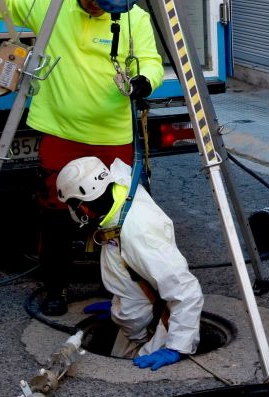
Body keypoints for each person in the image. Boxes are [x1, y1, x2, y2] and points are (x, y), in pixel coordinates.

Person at [0, 0, 164, 316]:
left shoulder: (134, 17)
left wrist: (144, 81)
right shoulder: (51, 3)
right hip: (61, 131)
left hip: (113, 135)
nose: (98, 4)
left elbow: (151, 61)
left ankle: (124, 287)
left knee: (119, 215)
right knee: (54, 212)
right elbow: (2, 4)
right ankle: (55, 286)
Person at [56, 155, 202, 369]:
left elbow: (186, 291)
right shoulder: (119, 198)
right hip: (136, 320)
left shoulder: (138, 231)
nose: (72, 212)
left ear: (84, 207)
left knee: (130, 379)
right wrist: (123, 302)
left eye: (71, 205)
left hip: (157, 325)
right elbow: (130, 265)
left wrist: (177, 346)